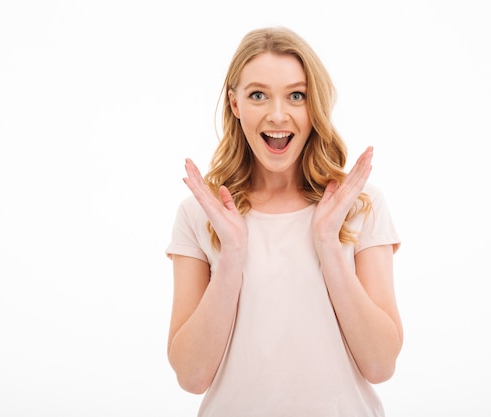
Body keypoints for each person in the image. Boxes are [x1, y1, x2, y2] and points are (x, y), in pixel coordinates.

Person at [165, 26, 403, 417]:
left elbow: (380, 365)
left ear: (316, 106)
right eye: (258, 95)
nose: (278, 114)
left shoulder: (359, 205)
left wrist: (327, 242)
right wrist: (232, 256)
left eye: (297, 95)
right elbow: (191, 377)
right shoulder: (199, 215)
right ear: (235, 104)